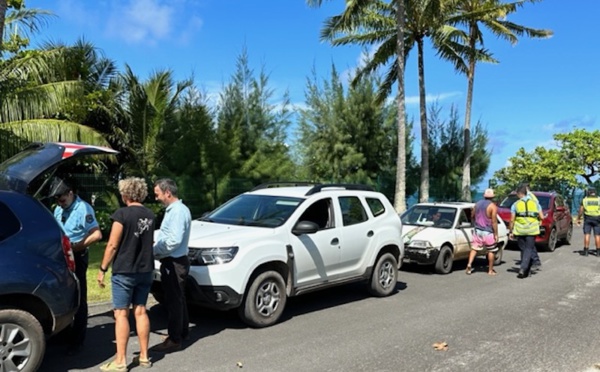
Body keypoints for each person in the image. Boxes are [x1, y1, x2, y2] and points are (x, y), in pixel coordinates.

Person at [97, 177, 156, 372]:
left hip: (124, 270)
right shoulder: (149, 214)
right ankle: (145, 356)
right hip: (145, 269)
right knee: (140, 310)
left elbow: (113, 244)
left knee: (121, 313)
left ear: (126, 194)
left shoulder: (121, 214)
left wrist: (103, 268)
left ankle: (121, 361)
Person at [51, 177, 102, 355]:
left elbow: (96, 235)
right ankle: (64, 333)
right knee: (64, 295)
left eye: (62, 199)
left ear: (70, 193)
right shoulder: (59, 208)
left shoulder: (83, 209)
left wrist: (76, 247)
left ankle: (77, 340)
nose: (59, 202)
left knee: (79, 298)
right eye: (57, 199)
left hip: (77, 256)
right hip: (62, 256)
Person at [151, 178, 192, 353]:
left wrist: (154, 250)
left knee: (174, 301)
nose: (156, 198)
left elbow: (173, 240)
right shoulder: (176, 210)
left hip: (174, 262)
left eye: (157, 194)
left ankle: (174, 339)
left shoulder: (177, 212)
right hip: (175, 261)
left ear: (167, 192)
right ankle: (182, 332)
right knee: (178, 299)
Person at [508, 184, 544, 279]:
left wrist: (510, 231)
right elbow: (541, 216)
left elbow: (512, 220)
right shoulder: (535, 203)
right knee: (528, 248)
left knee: (523, 248)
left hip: (520, 230)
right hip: (532, 230)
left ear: (519, 194)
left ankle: (525, 269)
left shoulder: (515, 204)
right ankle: (524, 268)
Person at [466, 188, 499, 276]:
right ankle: (490, 270)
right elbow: (494, 221)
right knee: (491, 250)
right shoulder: (493, 206)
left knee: (474, 248)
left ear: (484, 196)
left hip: (478, 230)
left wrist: (475, 223)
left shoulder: (477, 204)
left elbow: (472, 215)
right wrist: (496, 234)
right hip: (488, 232)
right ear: (493, 196)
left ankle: (469, 264)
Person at [577, 188, 600, 256]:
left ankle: (586, 251)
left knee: (587, 234)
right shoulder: (599, 199)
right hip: (597, 218)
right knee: (597, 235)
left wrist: (578, 218)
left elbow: (581, 210)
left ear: (589, 193)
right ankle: (598, 252)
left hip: (588, 218)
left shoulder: (585, 200)